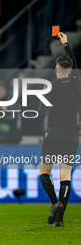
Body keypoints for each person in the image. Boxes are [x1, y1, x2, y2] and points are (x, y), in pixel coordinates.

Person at [37, 32, 79, 227]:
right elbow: (74, 65)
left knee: (44, 172)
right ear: (70, 71)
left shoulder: (49, 88)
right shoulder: (76, 83)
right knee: (65, 176)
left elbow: (40, 111)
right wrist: (66, 45)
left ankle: (55, 203)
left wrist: (46, 111)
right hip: (71, 134)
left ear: (56, 69)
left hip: (53, 133)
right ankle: (60, 220)